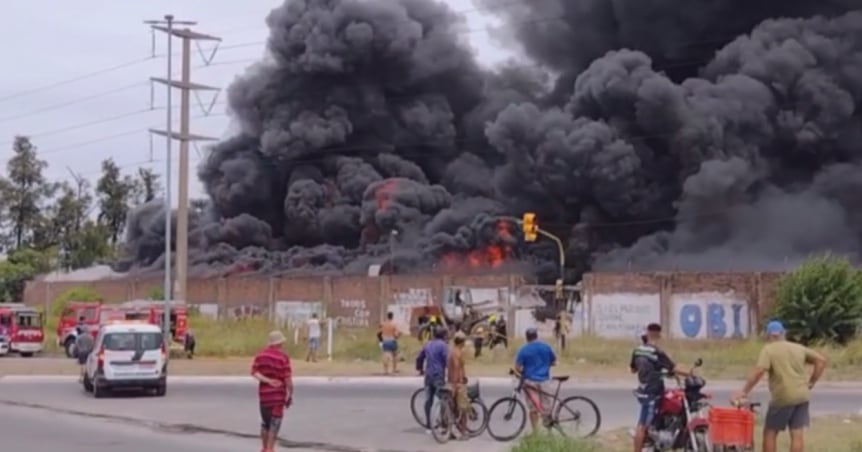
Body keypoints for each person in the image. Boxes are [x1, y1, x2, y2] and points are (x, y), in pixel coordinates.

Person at [732, 320, 827, 452]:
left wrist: (744, 391)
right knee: (796, 434)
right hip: (802, 395)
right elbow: (821, 361)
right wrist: (811, 382)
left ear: (768, 335)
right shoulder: (798, 348)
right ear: (783, 333)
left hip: (783, 397)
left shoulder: (769, 350)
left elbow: (760, 370)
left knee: (770, 432)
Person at [630, 323, 695, 452]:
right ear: (659, 335)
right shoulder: (657, 352)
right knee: (642, 426)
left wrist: (654, 372)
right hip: (651, 392)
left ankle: (657, 439)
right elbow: (674, 368)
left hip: (643, 389)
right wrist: (690, 372)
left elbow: (633, 369)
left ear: (647, 334)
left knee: (656, 415)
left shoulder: (637, 350)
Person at [251, 330, 293, 452]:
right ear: (279, 343)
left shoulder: (260, 355)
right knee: (275, 423)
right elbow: (287, 379)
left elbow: (254, 372)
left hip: (264, 396)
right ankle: (270, 449)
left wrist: (267, 380)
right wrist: (290, 394)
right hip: (278, 396)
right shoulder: (283, 357)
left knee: (265, 423)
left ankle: (264, 448)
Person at [513, 327, 556, 432]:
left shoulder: (523, 349)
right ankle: (549, 432)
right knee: (547, 407)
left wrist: (521, 373)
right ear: (537, 336)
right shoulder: (546, 347)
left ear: (526, 338)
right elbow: (554, 361)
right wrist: (545, 366)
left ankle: (535, 433)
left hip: (530, 381)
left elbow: (517, 367)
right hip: (545, 380)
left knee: (533, 409)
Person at [416, 326, 449, 434]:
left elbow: (419, 358)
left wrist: (420, 368)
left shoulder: (427, 344)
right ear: (443, 336)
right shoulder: (443, 345)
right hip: (438, 375)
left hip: (428, 375)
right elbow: (447, 360)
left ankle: (428, 426)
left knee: (428, 400)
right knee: (443, 399)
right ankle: (444, 425)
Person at [447, 331, 469, 439]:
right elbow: (456, 368)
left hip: (454, 381)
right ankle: (462, 433)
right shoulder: (457, 353)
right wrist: (457, 385)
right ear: (462, 342)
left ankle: (453, 431)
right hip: (457, 383)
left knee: (454, 408)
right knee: (463, 408)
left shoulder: (453, 351)